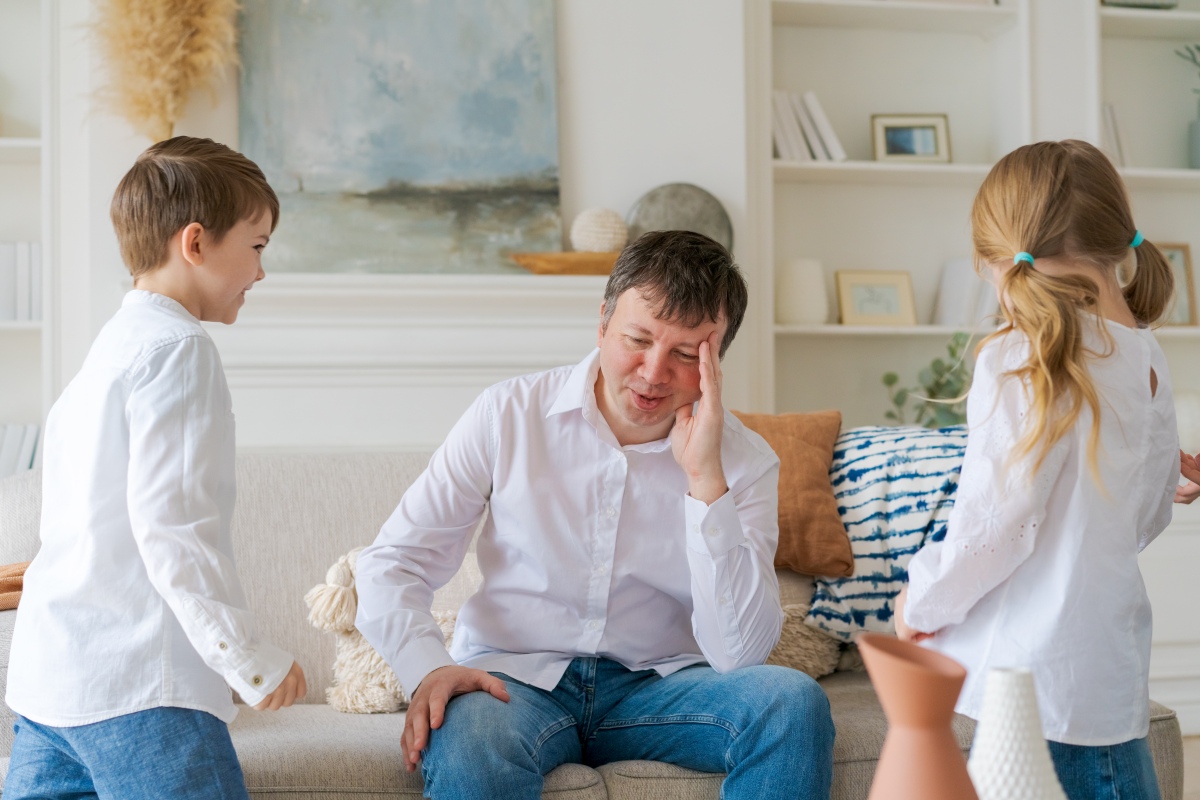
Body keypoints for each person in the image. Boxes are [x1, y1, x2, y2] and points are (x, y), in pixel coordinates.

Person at [356, 229, 835, 800]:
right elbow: (394, 564)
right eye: (638, 338)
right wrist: (427, 668)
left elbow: (740, 653)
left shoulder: (745, 461)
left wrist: (706, 483)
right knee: (468, 733)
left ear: (716, 363)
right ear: (603, 320)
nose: (654, 373)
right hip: (513, 680)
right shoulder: (506, 414)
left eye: (685, 355)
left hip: (660, 685)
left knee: (791, 703)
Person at [4, 137, 307, 800]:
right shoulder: (179, 350)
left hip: (51, 684)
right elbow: (175, 527)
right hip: (141, 687)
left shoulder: (110, 349)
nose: (260, 273)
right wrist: (247, 658)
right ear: (195, 242)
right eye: (256, 248)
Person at [894, 140, 1178, 800]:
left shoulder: (1018, 359)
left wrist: (923, 598)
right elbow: (1147, 516)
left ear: (995, 263)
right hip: (1106, 668)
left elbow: (996, 523)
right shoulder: (1147, 355)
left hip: (1031, 683)